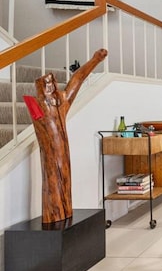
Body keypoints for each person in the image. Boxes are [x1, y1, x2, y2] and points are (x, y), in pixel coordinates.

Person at [26, 49, 108, 223]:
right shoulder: (37, 105)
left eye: (54, 86)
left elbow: (78, 78)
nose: (53, 90)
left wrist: (95, 59)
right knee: (53, 182)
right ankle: (54, 214)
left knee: (61, 180)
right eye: (49, 87)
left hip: (62, 155)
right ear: (41, 91)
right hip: (52, 156)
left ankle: (62, 212)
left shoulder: (62, 100)